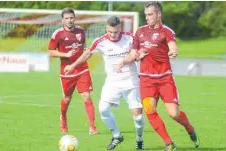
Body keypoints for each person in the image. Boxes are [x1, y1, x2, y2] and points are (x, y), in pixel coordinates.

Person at [117, 2, 200, 151]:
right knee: (149, 109)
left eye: (150, 15)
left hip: (164, 78)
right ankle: (169, 143)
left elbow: (173, 45)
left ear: (159, 14)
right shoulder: (140, 32)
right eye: (146, 15)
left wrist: (173, 51)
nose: (147, 18)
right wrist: (125, 60)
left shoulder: (166, 31)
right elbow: (133, 53)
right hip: (146, 79)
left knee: (173, 113)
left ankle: (189, 127)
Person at [64, 16, 145, 150]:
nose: (113, 35)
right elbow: (87, 54)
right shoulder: (100, 41)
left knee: (137, 116)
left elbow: (138, 52)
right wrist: (72, 66)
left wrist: (137, 56)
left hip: (131, 80)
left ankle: (139, 140)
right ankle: (117, 136)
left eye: (116, 32)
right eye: (110, 32)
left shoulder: (130, 38)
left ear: (120, 29)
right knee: (103, 109)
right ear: (106, 29)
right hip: (112, 82)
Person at [48, 8, 99, 134]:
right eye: (66, 18)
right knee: (67, 98)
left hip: (82, 68)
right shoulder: (58, 34)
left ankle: (92, 128)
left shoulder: (81, 30)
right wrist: (65, 55)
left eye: (71, 18)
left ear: (74, 18)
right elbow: (51, 51)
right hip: (67, 71)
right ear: (62, 20)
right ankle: (63, 118)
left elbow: (84, 46)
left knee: (86, 96)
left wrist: (87, 52)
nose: (69, 20)